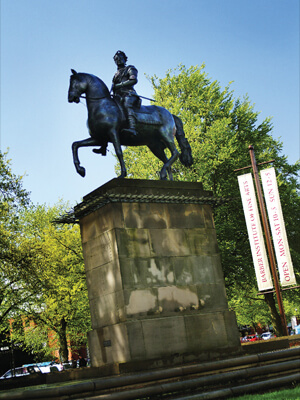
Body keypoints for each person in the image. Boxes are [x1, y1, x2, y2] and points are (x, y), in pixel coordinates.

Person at [111, 50, 139, 136]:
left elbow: (133, 80)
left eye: (120, 58)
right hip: (117, 97)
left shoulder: (130, 68)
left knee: (127, 103)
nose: (118, 60)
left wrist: (119, 85)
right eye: (116, 59)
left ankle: (132, 127)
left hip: (129, 94)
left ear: (124, 59)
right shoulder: (115, 74)